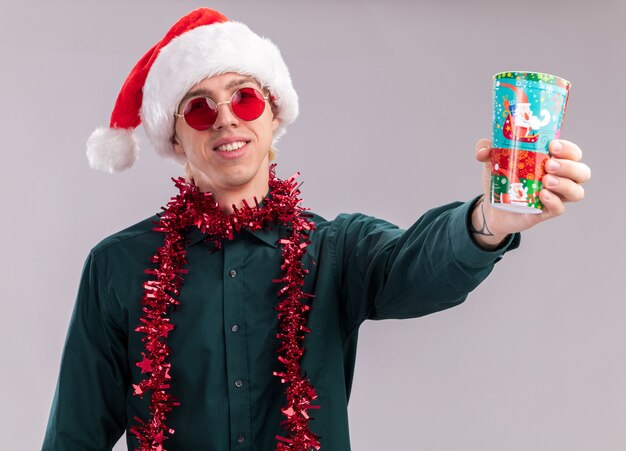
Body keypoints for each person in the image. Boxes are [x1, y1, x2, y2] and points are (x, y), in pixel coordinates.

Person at [42, 7, 591, 451]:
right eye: (201, 109)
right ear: (176, 137)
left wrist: (488, 222)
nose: (228, 118)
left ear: (272, 114)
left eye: (245, 97)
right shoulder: (117, 266)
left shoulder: (335, 249)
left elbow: (416, 268)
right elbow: (75, 433)